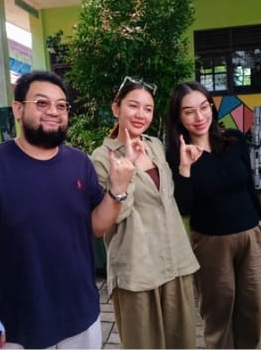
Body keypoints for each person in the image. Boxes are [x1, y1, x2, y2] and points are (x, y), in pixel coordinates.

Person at [0, 70, 134, 349]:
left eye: (61, 105)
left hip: (81, 314)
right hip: (17, 324)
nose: (54, 111)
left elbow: (96, 227)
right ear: (17, 109)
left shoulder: (80, 163)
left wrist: (116, 191)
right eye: (41, 103)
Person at [90, 76, 200, 349]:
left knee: (182, 342)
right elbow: (113, 216)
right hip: (137, 268)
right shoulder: (102, 157)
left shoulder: (155, 146)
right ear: (116, 108)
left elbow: (167, 199)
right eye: (133, 106)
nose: (141, 115)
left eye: (148, 109)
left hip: (175, 261)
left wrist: (184, 169)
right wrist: (126, 165)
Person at [166, 81, 261, 349]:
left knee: (252, 309)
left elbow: (249, 186)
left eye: (204, 107)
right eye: (189, 111)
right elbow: (184, 207)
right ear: (178, 116)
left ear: (212, 107)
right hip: (211, 242)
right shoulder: (175, 155)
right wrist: (185, 168)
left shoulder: (234, 140)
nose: (199, 117)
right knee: (218, 312)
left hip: (250, 235)